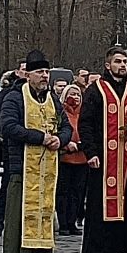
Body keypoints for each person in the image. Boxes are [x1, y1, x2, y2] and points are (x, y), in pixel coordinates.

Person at [0, 51, 72, 253]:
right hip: (22, 165)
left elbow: (67, 126)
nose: (44, 76)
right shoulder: (14, 97)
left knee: (44, 211)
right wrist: (40, 138)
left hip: (48, 166)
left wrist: (60, 139)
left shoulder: (52, 99)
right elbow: (9, 126)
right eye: (40, 72)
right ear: (28, 74)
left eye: (46, 72)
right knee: (20, 213)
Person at [79, 46, 127, 253]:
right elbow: (85, 123)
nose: (122, 65)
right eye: (118, 61)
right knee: (99, 206)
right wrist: (91, 152)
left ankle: (115, 251)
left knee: (123, 205)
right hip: (102, 158)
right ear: (108, 65)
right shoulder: (96, 90)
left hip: (125, 159)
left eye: (125, 61)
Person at [0, 60, 29, 237]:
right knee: (8, 184)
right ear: (18, 72)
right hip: (13, 146)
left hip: (37, 149)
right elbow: (0, 119)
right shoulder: (9, 94)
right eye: (25, 70)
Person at [55, 83, 87, 237]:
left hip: (81, 158)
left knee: (77, 193)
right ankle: (63, 223)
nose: (75, 98)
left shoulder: (85, 114)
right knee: (63, 192)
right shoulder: (60, 112)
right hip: (64, 157)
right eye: (72, 94)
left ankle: (72, 221)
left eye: (78, 95)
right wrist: (66, 143)